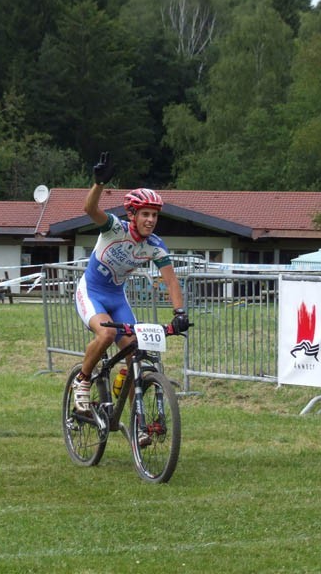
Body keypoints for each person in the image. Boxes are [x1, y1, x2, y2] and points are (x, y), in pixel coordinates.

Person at [73, 152, 189, 442]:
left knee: (135, 353)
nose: (151, 220)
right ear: (132, 216)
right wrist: (98, 183)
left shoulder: (155, 247)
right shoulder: (114, 228)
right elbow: (90, 209)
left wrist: (179, 313)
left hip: (116, 296)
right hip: (91, 292)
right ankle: (83, 380)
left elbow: (171, 282)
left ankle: (133, 422)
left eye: (154, 215)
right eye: (145, 214)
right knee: (105, 336)